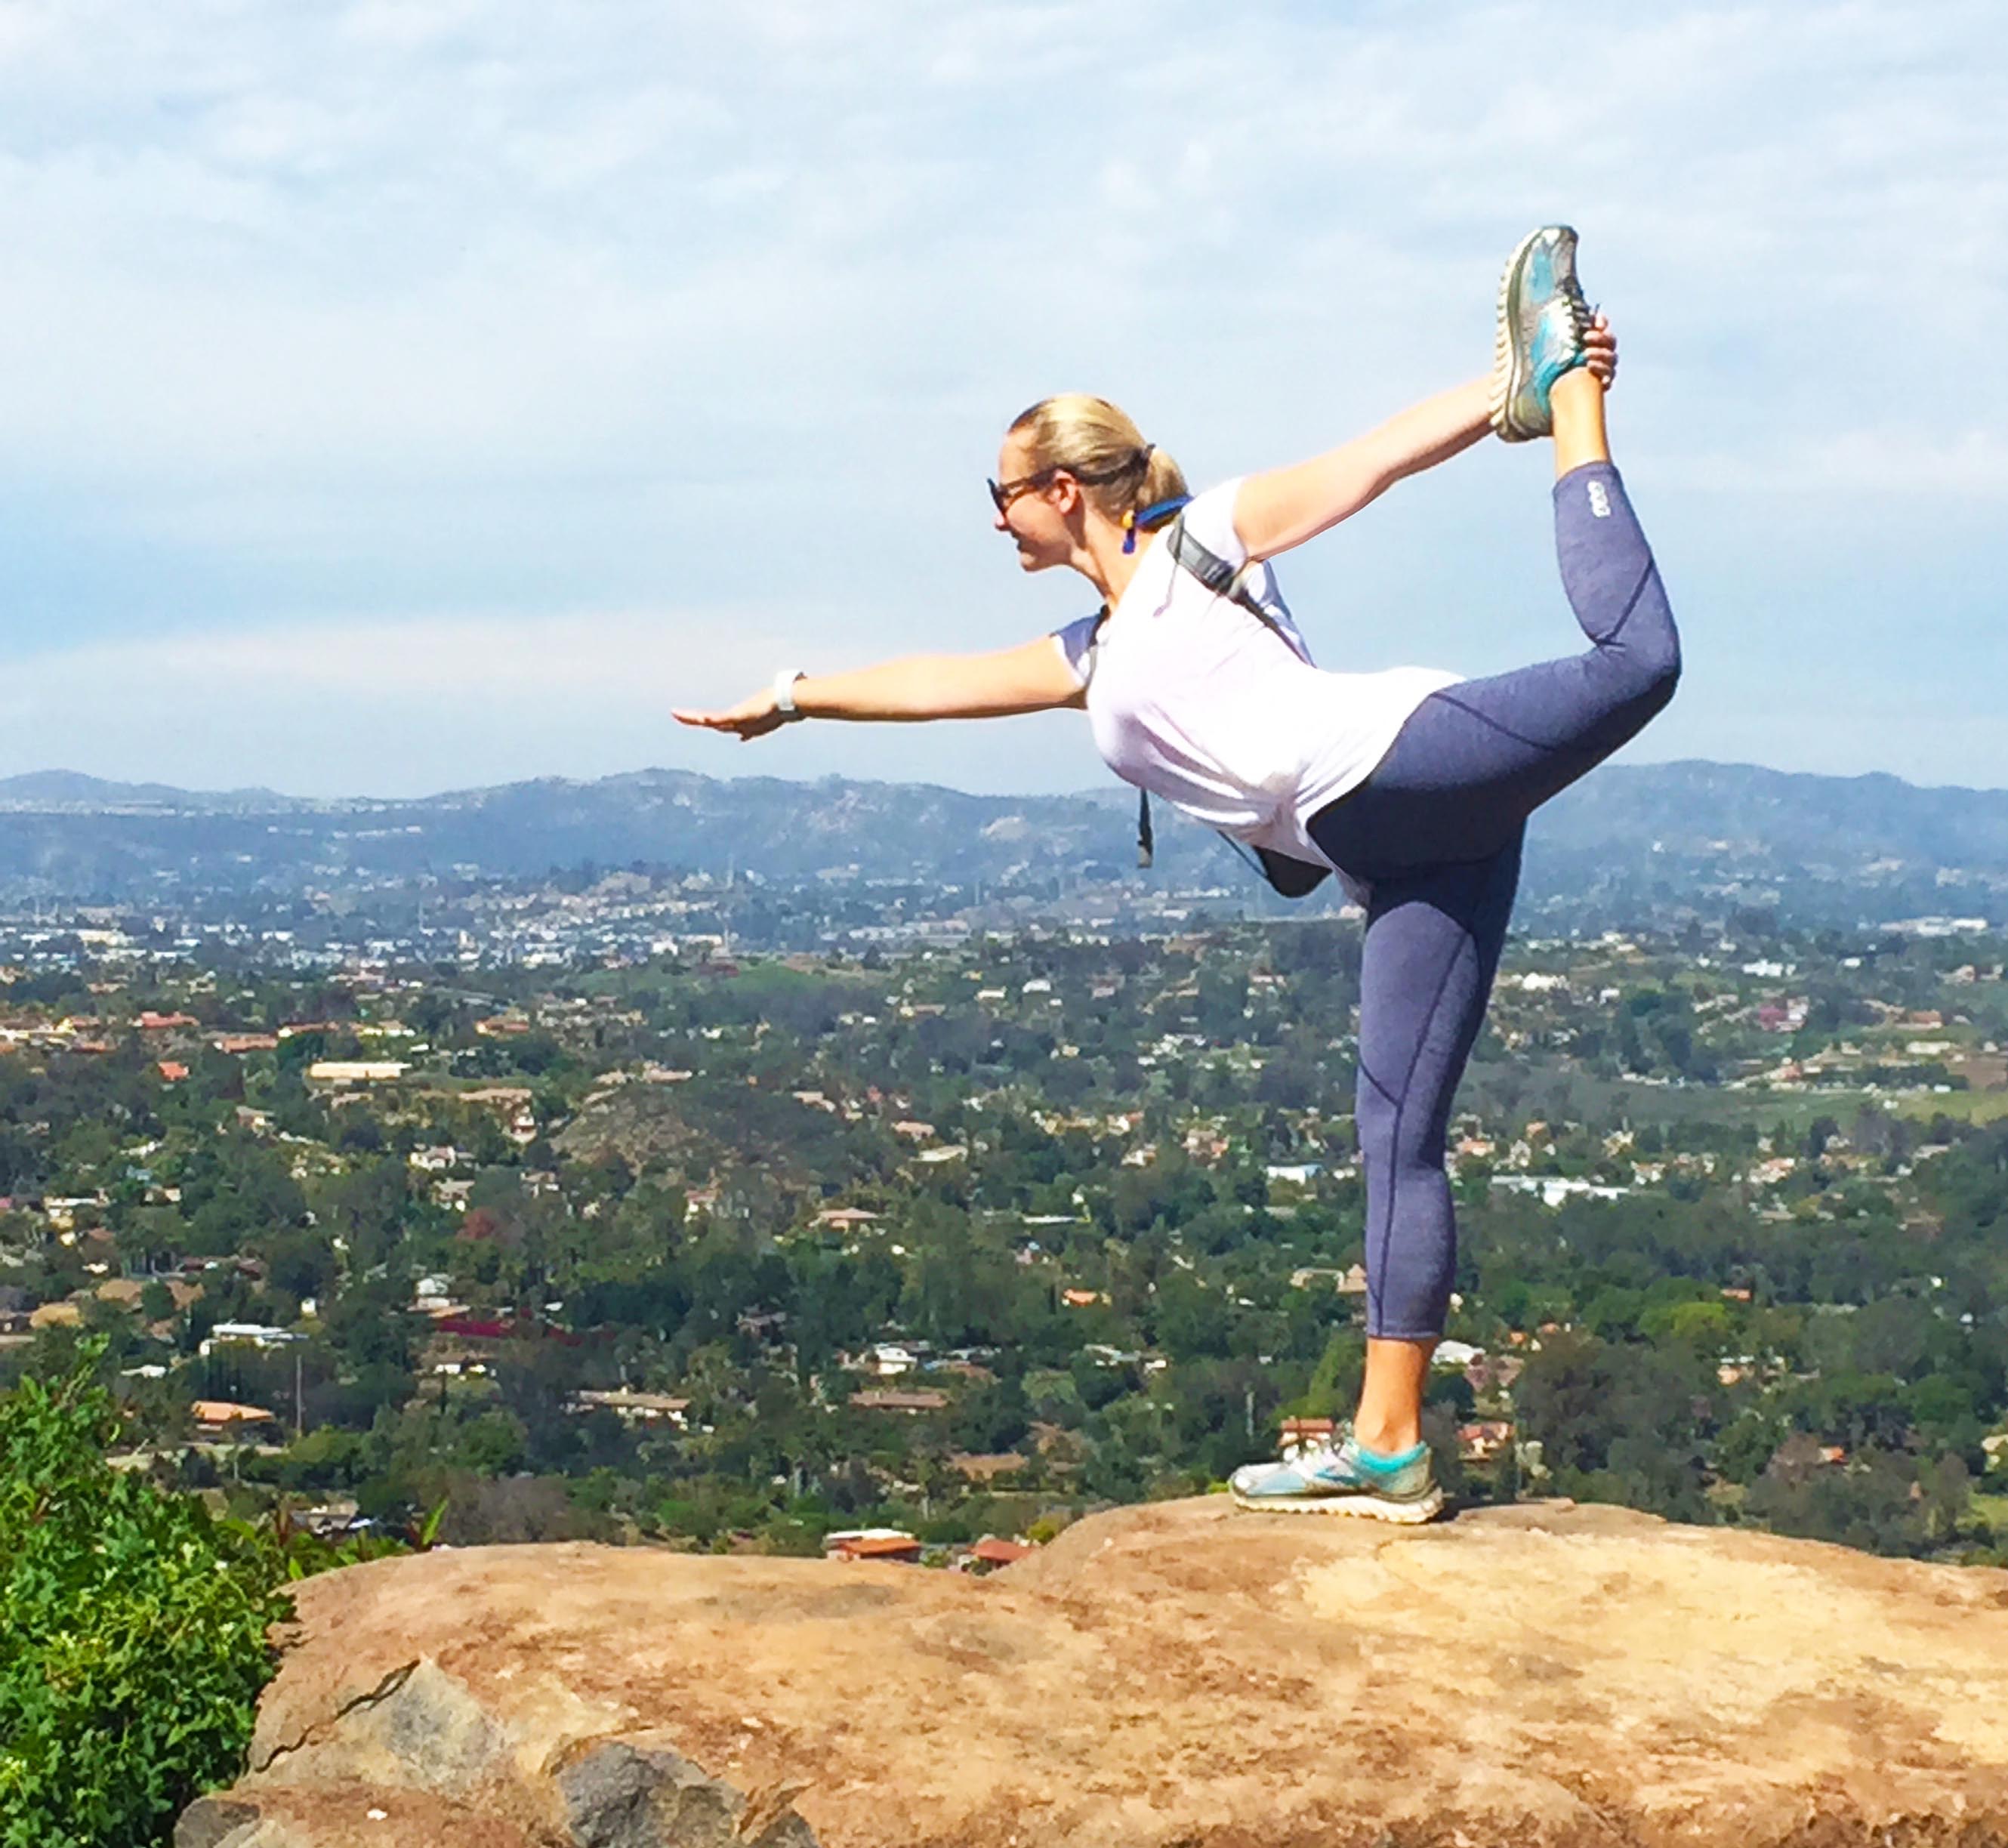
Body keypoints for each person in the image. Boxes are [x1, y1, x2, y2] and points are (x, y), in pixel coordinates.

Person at [674, 227, 1680, 1523]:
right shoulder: (1091, 647)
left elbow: (1367, 463)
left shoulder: (1207, 538)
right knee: (1396, 1138)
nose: (993, 520)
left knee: (1635, 664)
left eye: (1000, 494)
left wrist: (1513, 400)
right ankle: (1388, 1447)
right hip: (1393, 849)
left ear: (1060, 489)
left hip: (1395, 764)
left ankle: (1575, 402)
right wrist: (793, 699)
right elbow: (936, 686)